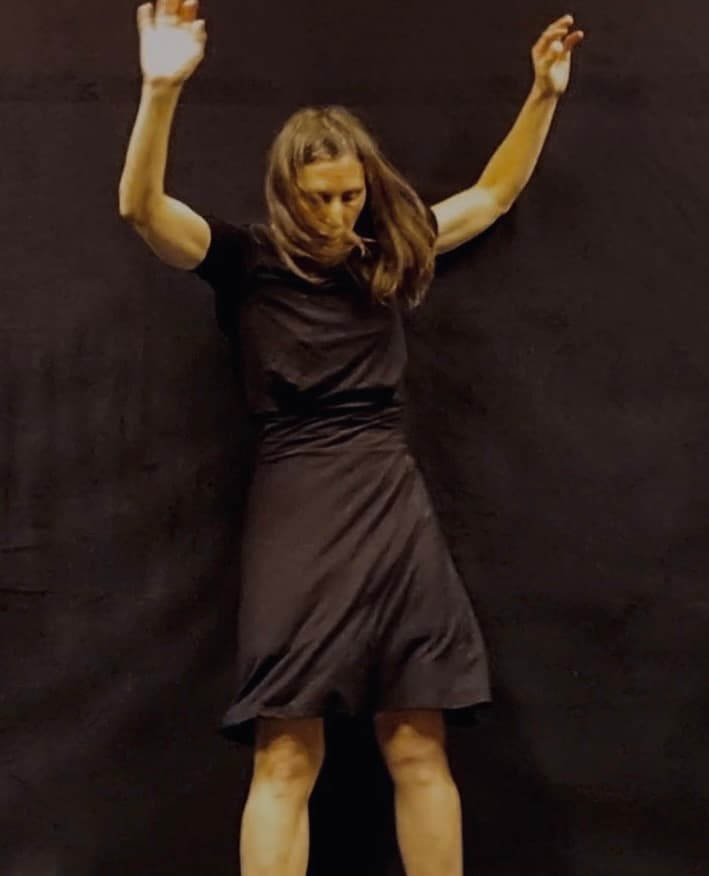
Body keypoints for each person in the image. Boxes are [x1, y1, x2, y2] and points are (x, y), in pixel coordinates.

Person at [118, 2, 584, 874]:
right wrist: (159, 90)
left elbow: (489, 195)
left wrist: (541, 95)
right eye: (320, 198)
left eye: (351, 194)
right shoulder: (244, 260)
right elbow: (141, 209)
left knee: (417, 739)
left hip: (389, 495)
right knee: (287, 750)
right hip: (299, 498)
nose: (338, 212)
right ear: (286, 193)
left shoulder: (386, 255)